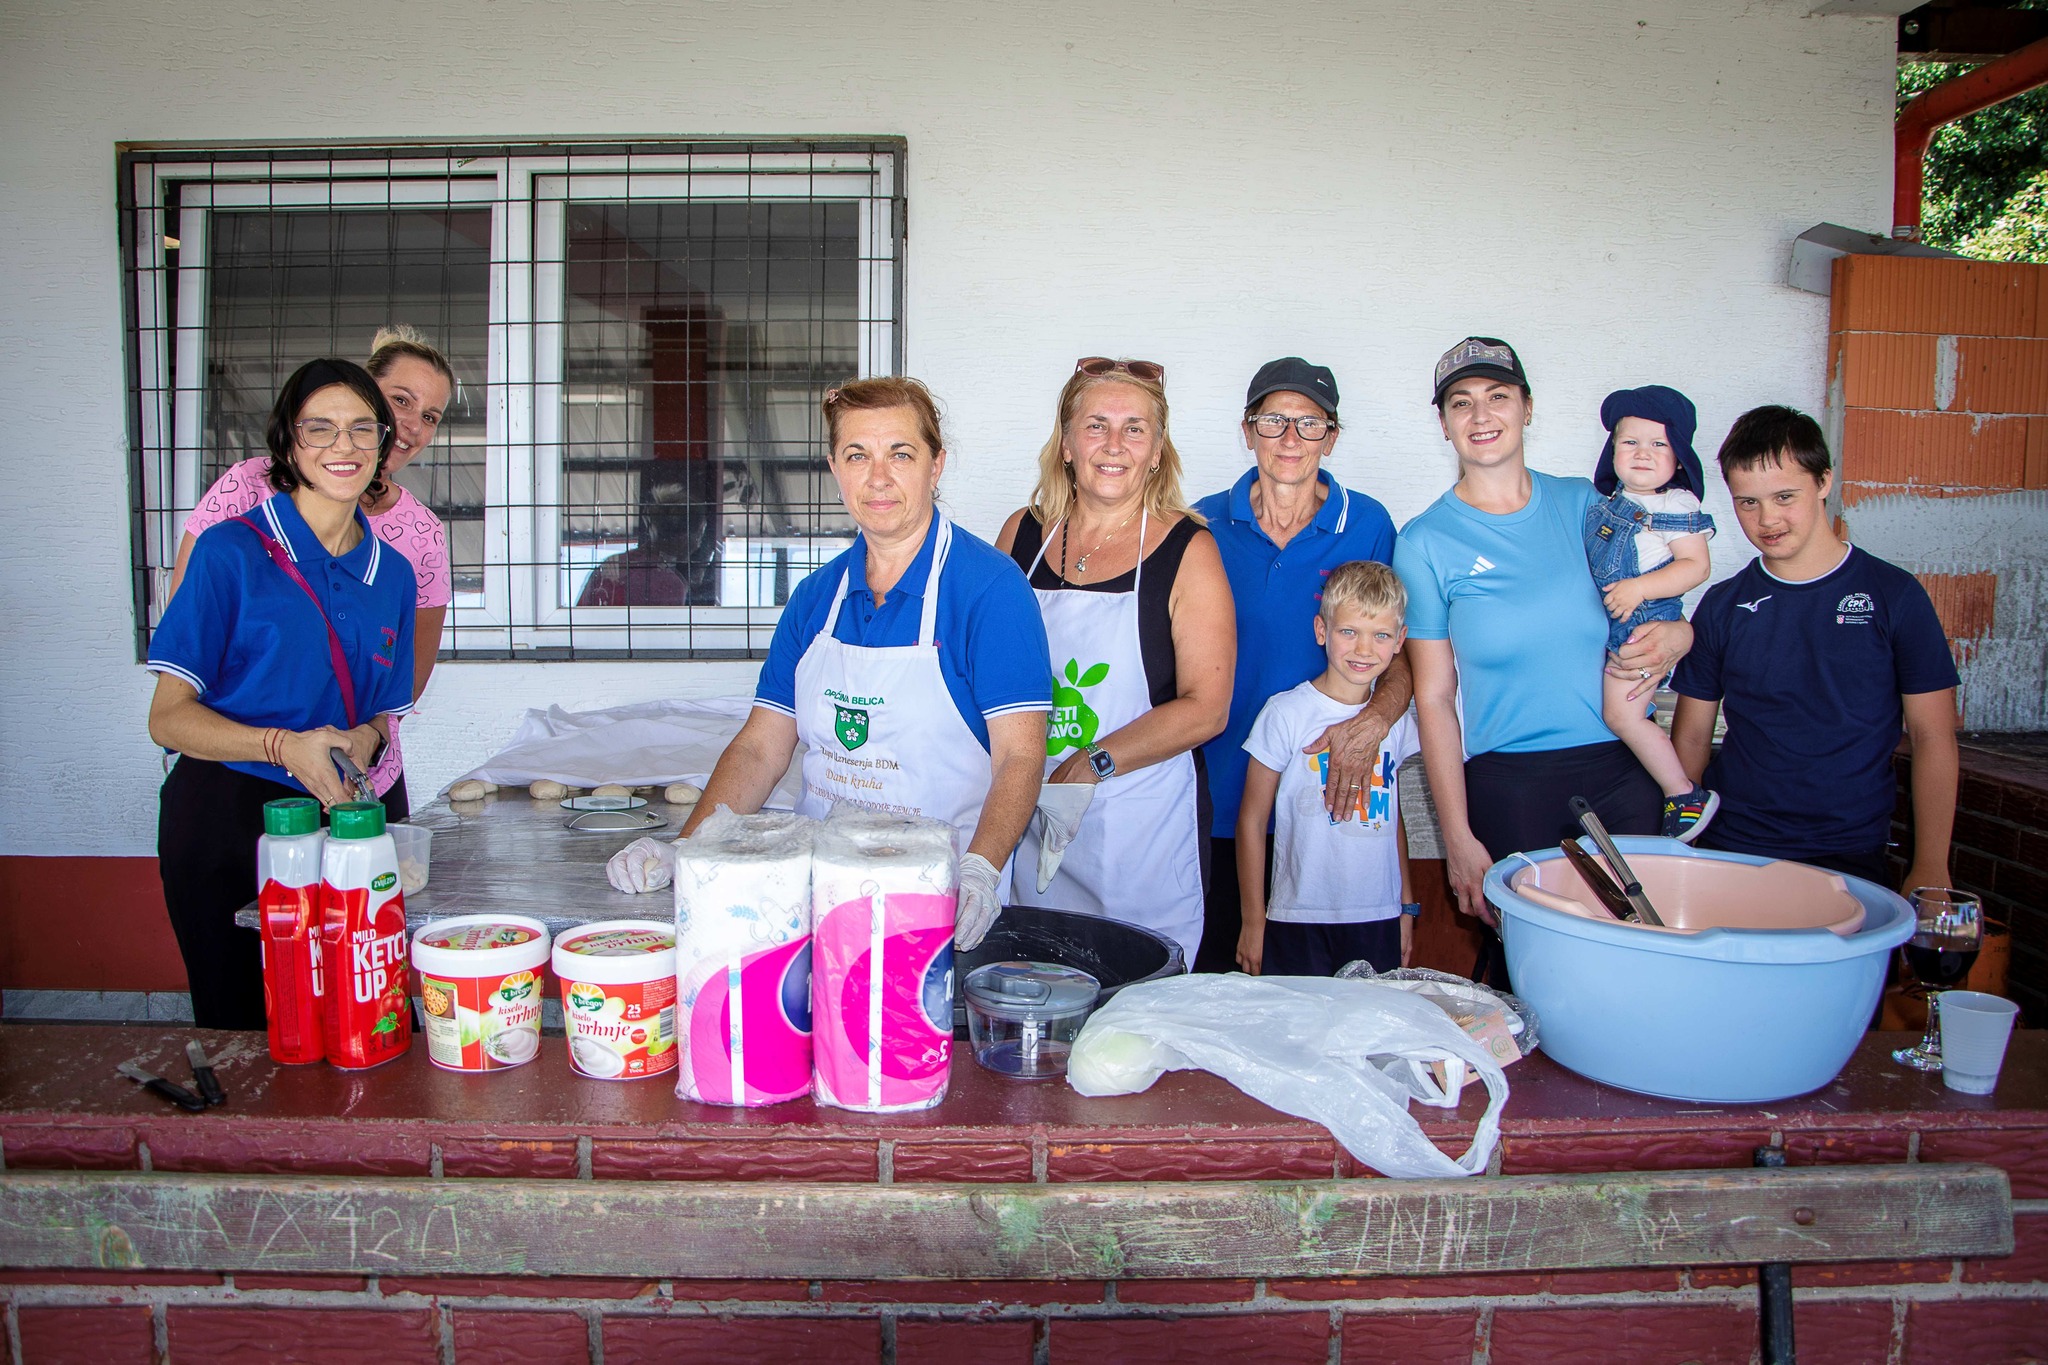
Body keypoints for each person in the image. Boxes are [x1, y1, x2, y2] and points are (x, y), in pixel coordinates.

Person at [606, 377, 1050, 949]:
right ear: (835, 468)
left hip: (937, 903)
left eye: (901, 454)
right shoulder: (817, 597)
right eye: (857, 455)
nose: (879, 477)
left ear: (935, 466)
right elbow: (761, 747)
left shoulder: (991, 591)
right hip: (816, 896)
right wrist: (688, 848)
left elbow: (1020, 756)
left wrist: (981, 870)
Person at [1394, 338, 1692, 973]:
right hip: (1510, 787)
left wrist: (1683, 636)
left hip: (1622, 773)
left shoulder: (1586, 504)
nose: (1481, 415)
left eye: (1498, 397)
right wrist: (1458, 838)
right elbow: (1435, 700)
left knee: (1640, 968)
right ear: (1443, 421)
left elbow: (1657, 600)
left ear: (1527, 408)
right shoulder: (1424, 542)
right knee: (1534, 976)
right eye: (1461, 402)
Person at [147, 358, 418, 1029]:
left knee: (363, 1017)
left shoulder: (394, 576)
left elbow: (383, 706)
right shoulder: (231, 552)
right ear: (289, 444)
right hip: (226, 816)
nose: (343, 446)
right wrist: (279, 746)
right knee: (246, 1028)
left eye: (362, 428)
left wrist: (366, 736)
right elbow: (167, 718)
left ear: (384, 442)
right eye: (319, 428)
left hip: (340, 819)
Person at [995, 357, 1235, 968]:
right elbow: (984, 671)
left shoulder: (1189, 549)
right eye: (1096, 424)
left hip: (1140, 830)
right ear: (1067, 442)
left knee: (1132, 1009)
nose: (1114, 445)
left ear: (1157, 450)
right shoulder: (1021, 536)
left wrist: (1089, 764)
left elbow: (1207, 709)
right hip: (1027, 811)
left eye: (1135, 429)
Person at [172, 326, 456, 819]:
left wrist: (363, 737)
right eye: (400, 400)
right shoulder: (247, 490)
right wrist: (283, 743)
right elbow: (189, 640)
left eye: (428, 416)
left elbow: (404, 682)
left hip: (358, 784)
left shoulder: (417, 539)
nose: (411, 425)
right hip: (238, 775)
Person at [1670, 406, 1959, 891]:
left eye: (1785, 496)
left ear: (1823, 481)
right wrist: (1677, 843)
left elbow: (1933, 738)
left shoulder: (1894, 594)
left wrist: (1930, 864)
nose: (1768, 519)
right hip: (1733, 846)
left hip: (1849, 851)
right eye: (1748, 502)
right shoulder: (1723, 604)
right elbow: (1693, 739)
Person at [1192, 357, 1409, 973]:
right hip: (1218, 794)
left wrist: (1371, 729)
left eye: (1310, 424)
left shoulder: (1367, 524)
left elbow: (1401, 653)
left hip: (1325, 806)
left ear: (1332, 437)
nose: (1290, 438)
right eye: (1273, 421)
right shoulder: (1203, 524)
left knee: (1316, 995)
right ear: (1247, 429)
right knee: (1221, 978)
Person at [1235, 561, 1420, 977]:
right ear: (1322, 631)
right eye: (1349, 631)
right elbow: (1251, 819)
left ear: (1399, 641)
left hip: (1378, 916)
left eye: (1381, 636)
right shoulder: (1285, 713)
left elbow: (1393, 817)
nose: (1363, 649)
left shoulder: (1396, 722)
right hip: (1296, 915)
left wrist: (1405, 907)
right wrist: (1253, 920)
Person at [1583, 385, 1720, 842]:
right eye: (1630, 442)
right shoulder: (1604, 504)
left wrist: (1639, 587)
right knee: (1623, 714)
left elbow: (1695, 566)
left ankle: (1682, 792)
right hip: (1609, 623)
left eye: (1659, 444)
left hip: (1643, 625)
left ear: (1679, 457)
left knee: (1622, 716)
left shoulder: (1674, 505)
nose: (1643, 453)